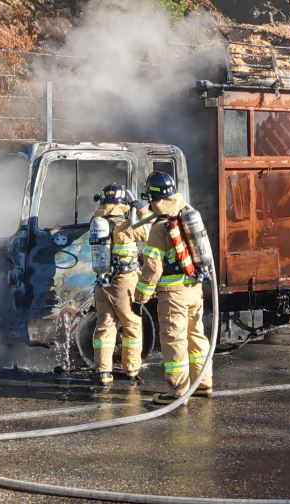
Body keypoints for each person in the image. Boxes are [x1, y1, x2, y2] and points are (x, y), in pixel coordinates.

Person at [133, 171, 213, 405]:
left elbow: (152, 268)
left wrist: (140, 298)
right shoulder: (188, 214)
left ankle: (178, 392)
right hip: (194, 288)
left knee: (174, 340)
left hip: (173, 294)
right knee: (196, 335)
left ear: (153, 198)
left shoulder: (160, 228)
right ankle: (202, 383)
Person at [90, 183, 150, 387]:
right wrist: (141, 209)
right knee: (131, 325)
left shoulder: (97, 222)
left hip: (102, 282)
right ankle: (131, 370)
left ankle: (103, 372)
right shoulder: (125, 224)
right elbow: (148, 233)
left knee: (104, 326)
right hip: (124, 282)